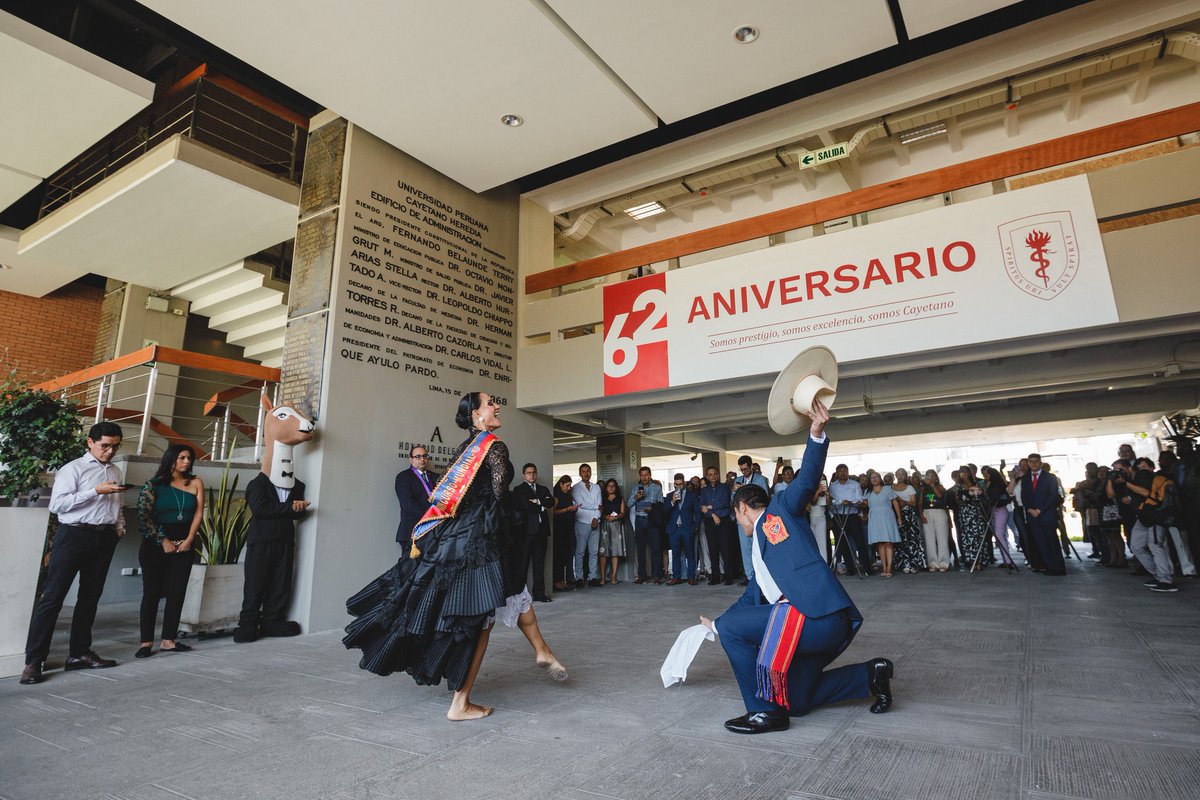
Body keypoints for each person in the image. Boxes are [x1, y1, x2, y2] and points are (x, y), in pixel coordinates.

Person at [344, 392, 566, 722]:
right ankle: (461, 702)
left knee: (512, 592)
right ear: (477, 414)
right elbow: (498, 493)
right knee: (480, 617)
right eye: (490, 403)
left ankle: (541, 651)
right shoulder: (493, 446)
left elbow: (457, 500)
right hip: (482, 540)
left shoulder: (465, 449)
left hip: (460, 538)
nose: (497, 407)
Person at [700, 400, 893, 734]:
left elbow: (805, 482)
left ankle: (764, 713)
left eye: (736, 515)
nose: (737, 522)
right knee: (799, 700)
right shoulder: (758, 550)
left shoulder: (780, 511)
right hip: (798, 625)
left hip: (818, 617)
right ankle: (871, 675)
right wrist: (716, 622)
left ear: (742, 508)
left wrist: (816, 434)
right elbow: (752, 598)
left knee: (733, 629)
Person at [21, 422, 127, 685]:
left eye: (115, 446)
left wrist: (119, 526)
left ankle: (79, 654)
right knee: (53, 598)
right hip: (73, 536)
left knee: (90, 598)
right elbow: (57, 505)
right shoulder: (73, 469)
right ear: (90, 442)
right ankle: (34, 661)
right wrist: (94, 491)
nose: (110, 451)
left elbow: (117, 502)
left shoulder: (115, 470)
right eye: (105, 446)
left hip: (104, 537)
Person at [134, 444, 204, 658]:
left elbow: (198, 514)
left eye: (189, 458)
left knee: (176, 593)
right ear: (171, 459)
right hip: (155, 545)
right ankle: (146, 642)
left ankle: (168, 640)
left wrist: (190, 539)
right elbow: (144, 516)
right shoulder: (153, 485)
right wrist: (163, 540)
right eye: (182, 458)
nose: (187, 462)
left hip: (185, 544)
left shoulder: (196, 482)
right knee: (152, 593)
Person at [512, 463, 555, 601]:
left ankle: (539, 594)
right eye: (529, 473)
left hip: (541, 532)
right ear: (524, 475)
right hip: (526, 533)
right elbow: (525, 505)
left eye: (534, 472)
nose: (532, 475)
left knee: (539, 564)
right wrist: (542, 505)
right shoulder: (519, 489)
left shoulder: (543, 489)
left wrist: (537, 501)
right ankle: (521, 596)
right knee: (523, 565)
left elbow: (551, 502)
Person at [1020, 453, 1066, 576]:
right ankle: (1048, 566)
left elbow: (1053, 496)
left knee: (1052, 540)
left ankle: (1058, 567)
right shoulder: (1025, 479)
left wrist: (1040, 509)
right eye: (1031, 461)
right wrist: (1029, 509)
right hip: (1032, 516)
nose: (1033, 464)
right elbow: (1024, 496)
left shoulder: (1050, 477)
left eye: (1036, 461)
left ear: (1040, 463)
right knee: (1040, 542)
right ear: (1028, 463)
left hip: (1047, 514)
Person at [734, 455, 771, 586]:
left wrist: (747, 491)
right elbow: (734, 500)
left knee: (758, 548)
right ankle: (750, 577)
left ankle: (761, 575)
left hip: (756, 519)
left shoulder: (760, 479)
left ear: (751, 466)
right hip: (743, 520)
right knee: (745, 549)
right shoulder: (737, 480)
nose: (744, 472)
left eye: (746, 469)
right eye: (742, 470)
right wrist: (735, 491)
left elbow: (764, 498)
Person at [395, 444, 438, 555]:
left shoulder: (436, 477)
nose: (422, 459)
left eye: (424, 456)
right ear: (411, 459)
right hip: (412, 531)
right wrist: (429, 518)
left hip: (435, 532)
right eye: (417, 456)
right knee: (410, 570)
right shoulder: (403, 477)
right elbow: (407, 505)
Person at [829, 463, 869, 575]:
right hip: (838, 516)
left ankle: (866, 568)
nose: (842, 473)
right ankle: (850, 569)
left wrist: (851, 503)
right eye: (840, 471)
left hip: (852, 515)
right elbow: (831, 501)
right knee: (842, 542)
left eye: (844, 470)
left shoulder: (855, 484)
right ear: (837, 473)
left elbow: (859, 499)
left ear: (848, 472)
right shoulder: (832, 486)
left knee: (860, 541)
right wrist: (840, 502)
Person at [700, 466, 736, 585]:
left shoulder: (725, 487)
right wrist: (713, 514)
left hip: (724, 521)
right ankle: (715, 577)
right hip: (710, 521)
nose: (713, 476)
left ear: (718, 475)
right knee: (713, 550)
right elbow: (703, 507)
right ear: (707, 476)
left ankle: (728, 576)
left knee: (726, 549)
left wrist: (711, 507)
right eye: (710, 474)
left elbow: (725, 502)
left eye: (715, 473)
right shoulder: (704, 490)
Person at [664, 472, 700, 585]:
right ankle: (676, 577)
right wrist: (672, 502)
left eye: (681, 484)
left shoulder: (691, 495)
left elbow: (697, 512)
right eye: (677, 484)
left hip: (687, 528)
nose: (679, 486)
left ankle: (691, 577)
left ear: (684, 482)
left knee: (690, 554)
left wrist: (696, 527)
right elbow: (665, 511)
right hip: (674, 529)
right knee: (675, 555)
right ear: (674, 484)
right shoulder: (670, 495)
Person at [631, 466, 664, 584]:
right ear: (640, 476)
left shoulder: (656, 488)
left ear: (650, 475)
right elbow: (629, 503)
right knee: (640, 549)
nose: (644, 477)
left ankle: (657, 576)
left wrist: (652, 508)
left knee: (655, 548)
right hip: (640, 520)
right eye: (642, 475)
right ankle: (642, 575)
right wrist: (637, 497)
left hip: (652, 519)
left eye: (646, 475)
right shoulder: (636, 488)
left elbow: (661, 503)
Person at [951, 466, 989, 572]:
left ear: (969, 473)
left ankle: (980, 560)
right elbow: (956, 501)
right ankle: (972, 560)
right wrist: (964, 500)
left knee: (978, 535)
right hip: (965, 514)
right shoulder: (958, 486)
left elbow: (983, 497)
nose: (963, 474)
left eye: (965, 472)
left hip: (977, 513)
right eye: (961, 472)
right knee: (968, 537)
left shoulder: (976, 483)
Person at [571, 464, 602, 587]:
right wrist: (596, 507)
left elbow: (600, 503)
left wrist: (596, 517)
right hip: (582, 522)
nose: (586, 473)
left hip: (595, 522)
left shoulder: (597, 488)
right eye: (583, 471)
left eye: (588, 471)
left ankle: (592, 577)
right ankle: (579, 578)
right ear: (580, 473)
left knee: (594, 552)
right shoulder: (576, 488)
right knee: (580, 552)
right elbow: (581, 504)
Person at [891, 468, 926, 574]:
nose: (900, 476)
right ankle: (904, 564)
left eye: (902, 474)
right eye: (898, 474)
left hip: (909, 515)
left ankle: (915, 563)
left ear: (906, 476)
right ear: (895, 475)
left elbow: (914, 503)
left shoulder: (909, 487)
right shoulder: (891, 488)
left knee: (913, 539)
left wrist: (903, 501)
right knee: (901, 541)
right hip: (896, 515)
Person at [865, 474, 901, 577]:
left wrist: (899, 517)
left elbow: (895, 503)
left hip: (887, 516)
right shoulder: (868, 492)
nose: (874, 479)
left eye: (876, 477)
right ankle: (884, 568)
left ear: (880, 479)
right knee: (880, 544)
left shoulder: (887, 489)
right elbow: (865, 505)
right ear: (870, 480)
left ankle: (889, 568)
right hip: (874, 518)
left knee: (888, 542)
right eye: (872, 477)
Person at [598, 478, 630, 584]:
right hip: (604, 525)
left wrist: (615, 517)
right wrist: (606, 516)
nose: (611, 488)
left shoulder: (620, 499)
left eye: (613, 486)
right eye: (609, 486)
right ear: (606, 488)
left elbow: (622, 513)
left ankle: (614, 577)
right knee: (603, 552)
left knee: (615, 552)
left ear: (616, 488)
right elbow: (599, 512)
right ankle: (602, 577)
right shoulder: (602, 498)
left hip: (616, 525)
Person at [918, 469, 951, 572]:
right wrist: (921, 515)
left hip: (939, 512)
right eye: (928, 476)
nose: (930, 478)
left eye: (932, 476)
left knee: (942, 538)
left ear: (936, 478)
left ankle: (943, 563)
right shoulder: (923, 489)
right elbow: (919, 503)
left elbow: (940, 496)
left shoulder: (940, 487)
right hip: (927, 512)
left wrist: (932, 485)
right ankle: (932, 563)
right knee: (929, 538)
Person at [551, 475, 577, 591]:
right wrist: (567, 509)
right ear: (560, 484)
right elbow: (553, 512)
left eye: (570, 485)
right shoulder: (556, 496)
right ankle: (557, 580)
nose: (568, 488)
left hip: (568, 528)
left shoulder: (568, 496)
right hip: (559, 529)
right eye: (567, 485)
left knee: (567, 554)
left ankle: (563, 580)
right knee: (559, 555)